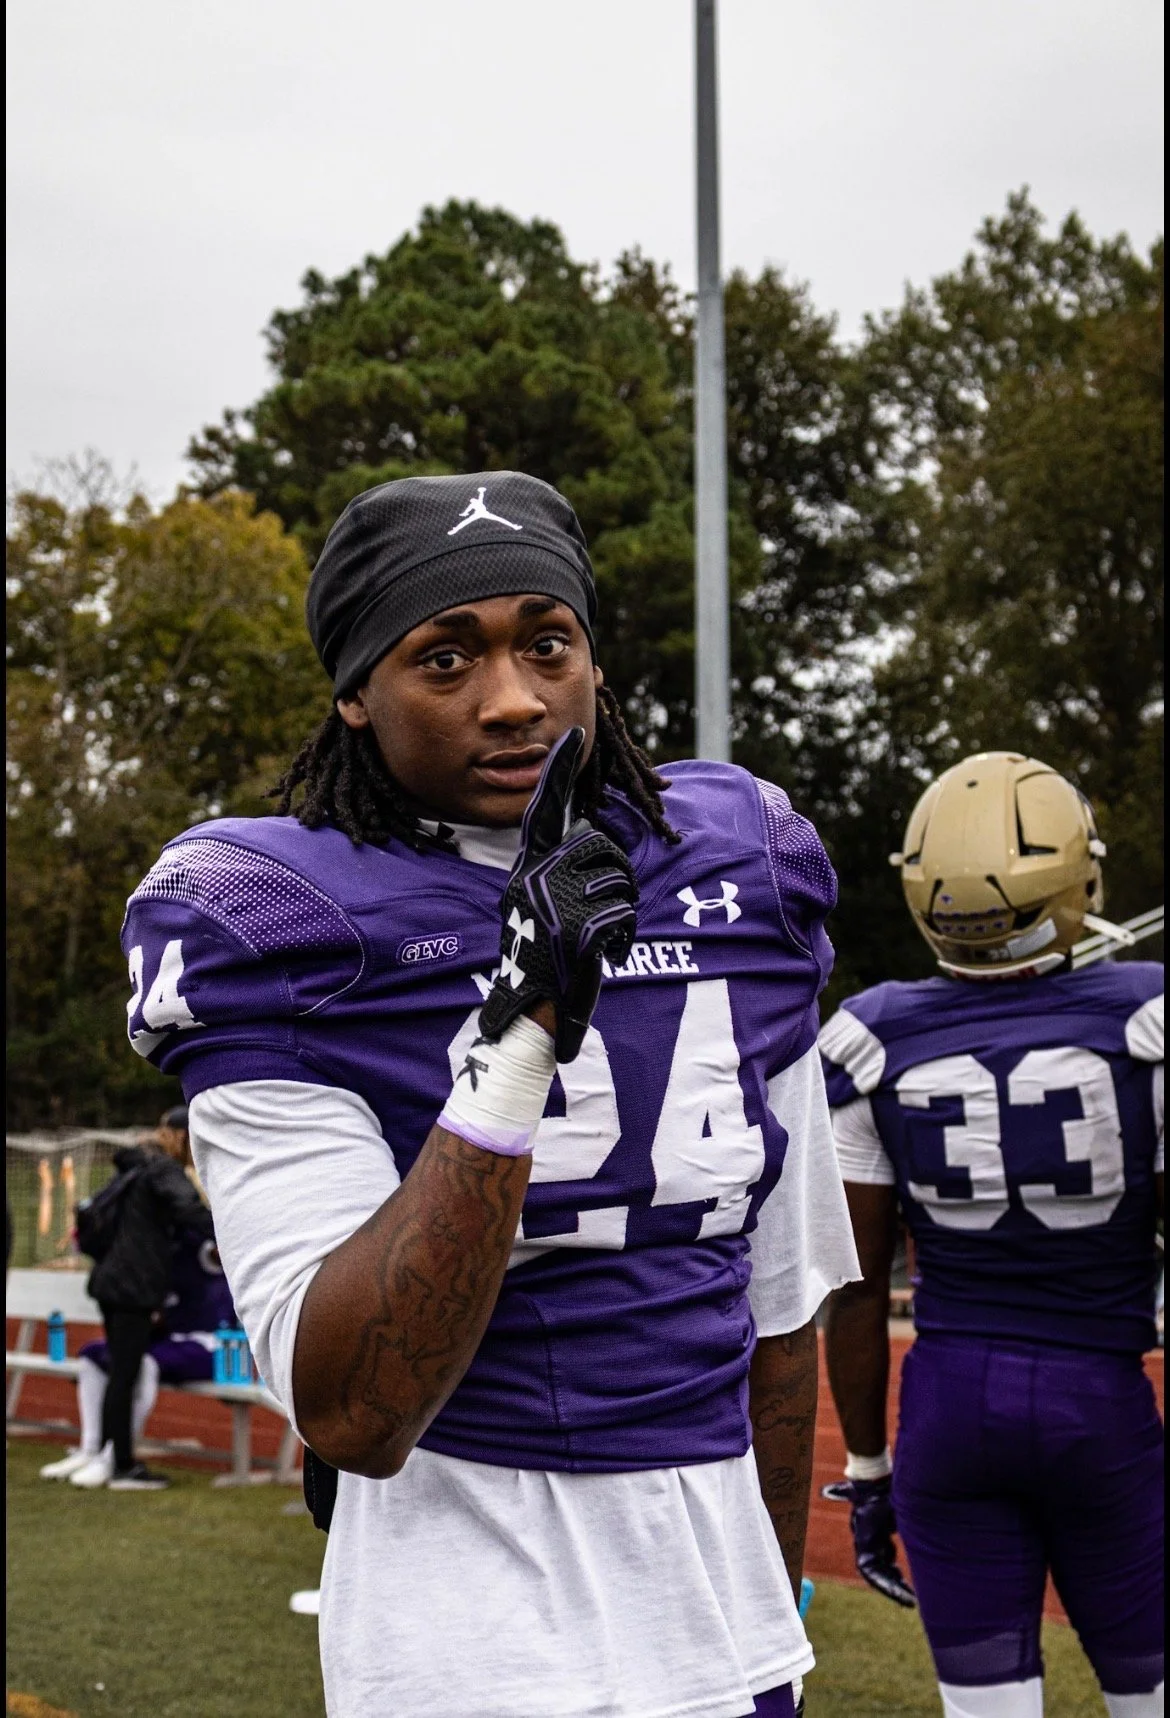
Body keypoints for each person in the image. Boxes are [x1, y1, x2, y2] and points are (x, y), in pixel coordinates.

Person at [120, 470, 860, 1718]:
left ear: (593, 658)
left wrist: (766, 1611)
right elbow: (357, 1407)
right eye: (446, 657)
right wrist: (521, 1039)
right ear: (357, 692)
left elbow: (779, 1317)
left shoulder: (743, 870)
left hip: (724, 1631)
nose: (513, 698)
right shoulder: (277, 913)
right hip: (463, 1642)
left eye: (547, 643)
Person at [819, 751, 1164, 1718]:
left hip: (948, 1412)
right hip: (1100, 1406)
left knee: (987, 1709)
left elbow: (851, 1285)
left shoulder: (871, 1037)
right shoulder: (1144, 1019)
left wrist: (867, 1469)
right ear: (1073, 876)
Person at [67, 1105, 215, 1490]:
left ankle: (108, 1457)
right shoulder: (163, 1169)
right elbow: (190, 1212)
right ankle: (122, 1466)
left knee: (121, 1372)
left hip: (110, 1281)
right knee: (125, 1374)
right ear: (184, 1137)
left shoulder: (134, 1166)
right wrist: (229, 1228)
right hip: (133, 1285)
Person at [40, 1198, 235, 1486]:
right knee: (92, 1355)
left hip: (212, 1343)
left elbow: (218, 1251)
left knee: (142, 1364)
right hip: (168, 1339)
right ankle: (91, 1448)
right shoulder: (154, 1244)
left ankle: (114, 1457)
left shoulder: (198, 1237)